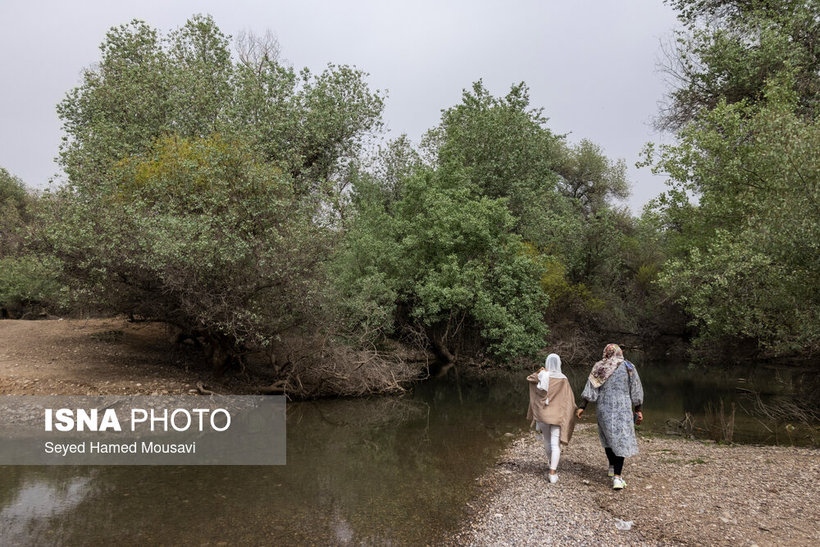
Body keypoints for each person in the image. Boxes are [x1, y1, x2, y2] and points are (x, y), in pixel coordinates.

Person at [575, 343, 644, 490]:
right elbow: (636, 389)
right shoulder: (628, 366)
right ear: (619, 352)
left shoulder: (600, 366)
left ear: (606, 352)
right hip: (623, 407)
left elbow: (591, 388)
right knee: (620, 439)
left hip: (603, 407)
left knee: (607, 438)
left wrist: (582, 406)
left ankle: (612, 467)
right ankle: (617, 478)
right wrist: (638, 409)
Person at [526, 353, 577, 484]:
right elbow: (569, 398)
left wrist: (540, 371)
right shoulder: (563, 379)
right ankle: (552, 473)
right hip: (558, 415)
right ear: (559, 363)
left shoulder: (541, 376)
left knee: (547, 441)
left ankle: (550, 463)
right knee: (555, 443)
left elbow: (529, 378)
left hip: (543, 414)